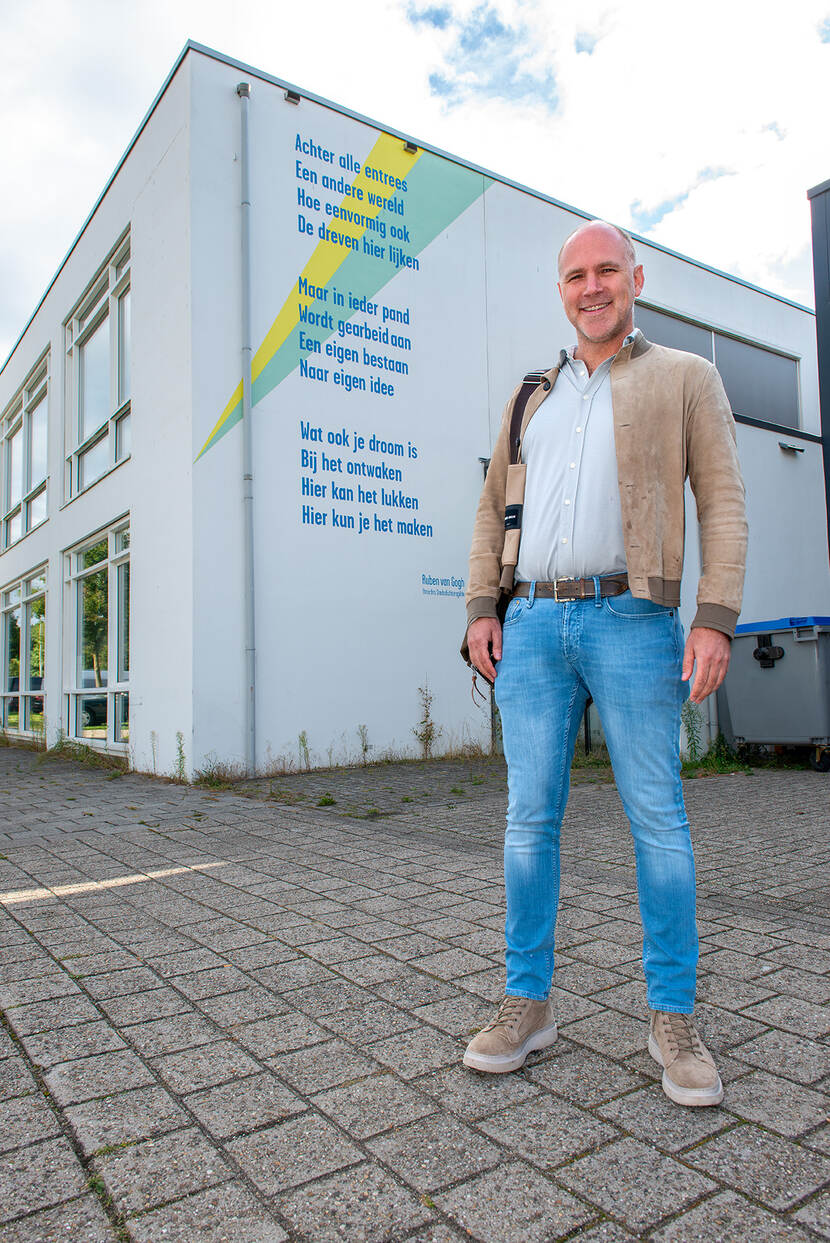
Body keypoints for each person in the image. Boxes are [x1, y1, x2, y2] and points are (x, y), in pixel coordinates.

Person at [462, 220, 747, 1107]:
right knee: (526, 821)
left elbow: (725, 503)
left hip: (635, 617)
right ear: (561, 290)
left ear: (636, 280)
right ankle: (528, 1003)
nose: (593, 287)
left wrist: (715, 618)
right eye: (577, 275)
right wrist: (482, 607)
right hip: (535, 626)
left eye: (608, 271)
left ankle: (672, 1017)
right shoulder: (528, 398)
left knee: (657, 820)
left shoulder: (686, 378)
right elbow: (487, 514)